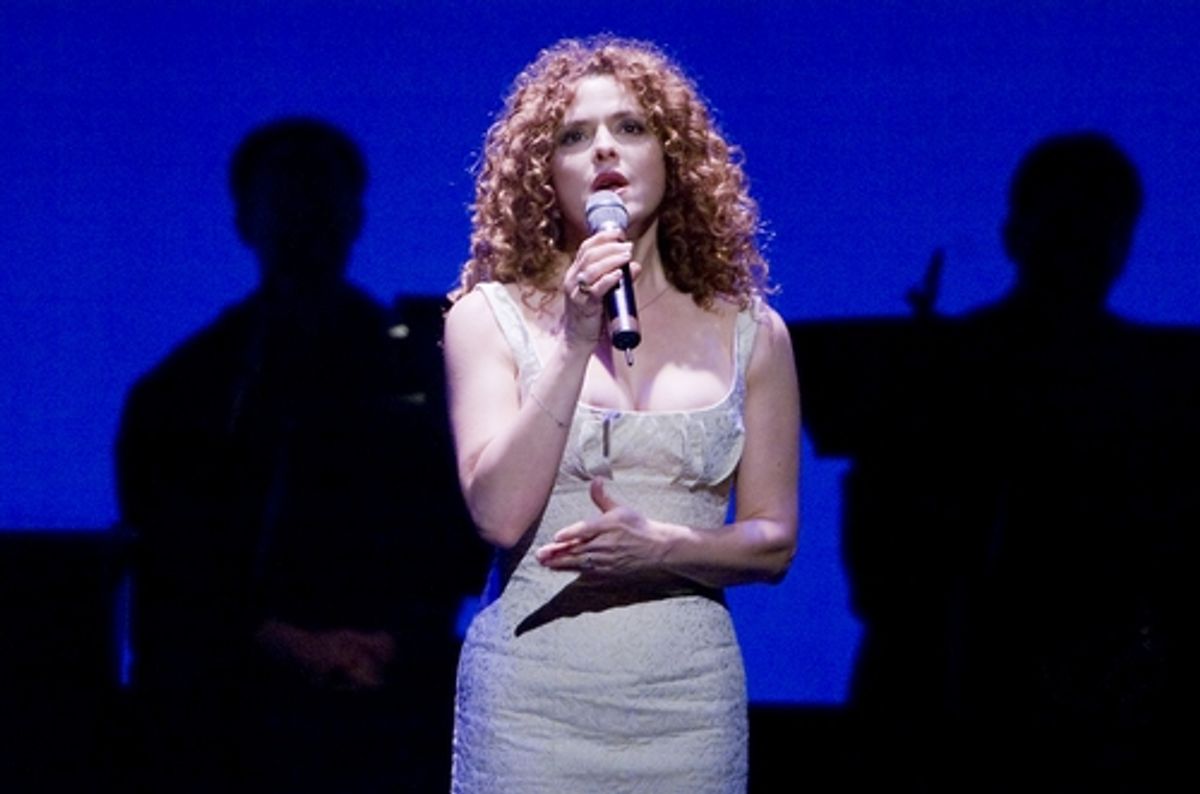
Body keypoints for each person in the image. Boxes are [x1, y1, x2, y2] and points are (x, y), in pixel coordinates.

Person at [442, 35, 800, 793]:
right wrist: (574, 335)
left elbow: (773, 543)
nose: (604, 147)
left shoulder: (753, 333)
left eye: (630, 127)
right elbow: (499, 517)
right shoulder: (487, 318)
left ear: (673, 156)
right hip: (532, 709)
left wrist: (662, 545)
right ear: (547, 173)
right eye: (574, 136)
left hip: (685, 709)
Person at [794, 131, 1197, 792]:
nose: (1085, 244)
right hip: (958, 699)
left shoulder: (1156, 384)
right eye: (1069, 221)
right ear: (1019, 233)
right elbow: (884, 565)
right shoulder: (933, 370)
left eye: (1101, 224)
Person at [115, 116, 481, 792]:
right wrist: (286, 644)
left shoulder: (422, 377)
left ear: (355, 216)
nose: (305, 213)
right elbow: (167, 563)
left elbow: (460, 536)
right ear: (245, 219)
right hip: (228, 706)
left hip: (396, 700)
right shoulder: (184, 390)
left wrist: (393, 643)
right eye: (286, 194)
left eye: (323, 194)